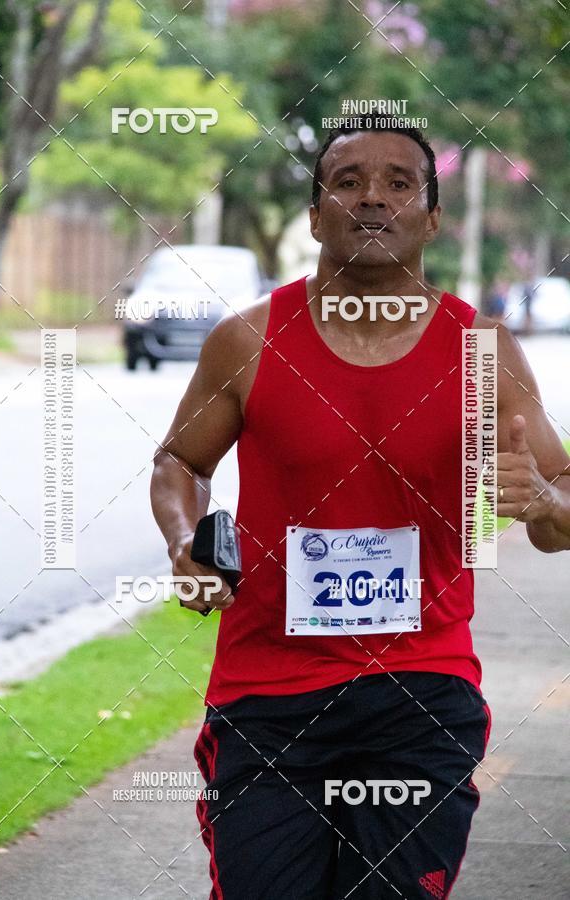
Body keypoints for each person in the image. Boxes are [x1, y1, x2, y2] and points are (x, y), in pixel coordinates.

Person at [150, 118, 570, 899]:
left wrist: (544, 500)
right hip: (269, 691)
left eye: (398, 183)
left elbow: (561, 508)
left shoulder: (483, 351)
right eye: (347, 182)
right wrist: (187, 539)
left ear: (432, 217)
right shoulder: (248, 340)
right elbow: (180, 461)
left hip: (420, 688)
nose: (372, 197)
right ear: (315, 216)